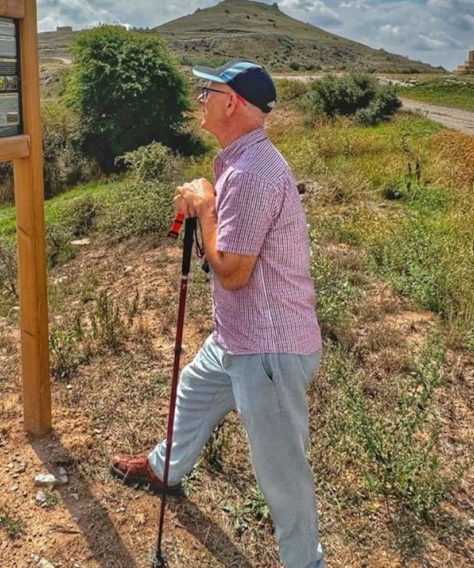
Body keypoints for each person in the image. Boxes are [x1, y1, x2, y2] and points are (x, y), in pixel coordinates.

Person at [110, 60, 325, 568]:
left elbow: (231, 272)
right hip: (238, 336)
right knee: (193, 388)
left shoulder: (251, 174)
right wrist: (206, 199)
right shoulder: (241, 161)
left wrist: (205, 207)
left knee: (282, 474)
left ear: (233, 103)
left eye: (209, 90)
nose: (200, 97)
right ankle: (166, 468)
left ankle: (305, 562)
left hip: (268, 350)